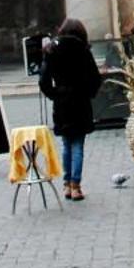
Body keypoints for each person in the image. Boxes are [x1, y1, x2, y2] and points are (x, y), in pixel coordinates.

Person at [39, 17, 103, 201]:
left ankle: (67, 185)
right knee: (78, 144)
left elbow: (43, 79)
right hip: (80, 100)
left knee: (66, 144)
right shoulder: (83, 50)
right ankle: (76, 186)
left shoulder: (52, 49)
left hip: (62, 102)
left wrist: (54, 94)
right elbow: (95, 78)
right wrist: (89, 93)